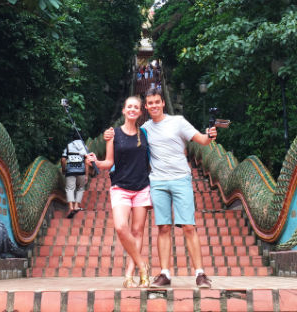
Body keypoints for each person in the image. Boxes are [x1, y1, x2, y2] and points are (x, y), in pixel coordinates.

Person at [105, 87, 217, 289]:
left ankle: (200, 273)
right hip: (157, 182)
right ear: (146, 107)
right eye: (150, 103)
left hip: (181, 178)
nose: (154, 105)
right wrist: (110, 135)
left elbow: (201, 140)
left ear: (163, 102)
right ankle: (165, 273)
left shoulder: (178, 122)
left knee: (189, 226)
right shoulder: (145, 129)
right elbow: (127, 138)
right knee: (163, 227)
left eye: (157, 102)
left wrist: (209, 135)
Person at [92, 96, 152, 287]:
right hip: (120, 187)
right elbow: (109, 162)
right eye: (129, 107)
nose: (133, 109)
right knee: (120, 227)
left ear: (140, 112)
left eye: (136, 107)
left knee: (138, 231)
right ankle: (143, 265)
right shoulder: (113, 134)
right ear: (124, 111)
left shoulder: (144, 134)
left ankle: (130, 275)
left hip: (142, 186)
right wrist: (95, 162)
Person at [61, 132, 93, 218]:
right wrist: (86, 175)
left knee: (70, 189)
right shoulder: (84, 147)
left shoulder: (68, 146)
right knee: (80, 188)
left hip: (70, 171)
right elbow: (87, 162)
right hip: (81, 171)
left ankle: (71, 207)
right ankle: (76, 206)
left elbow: (63, 159)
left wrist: (64, 169)